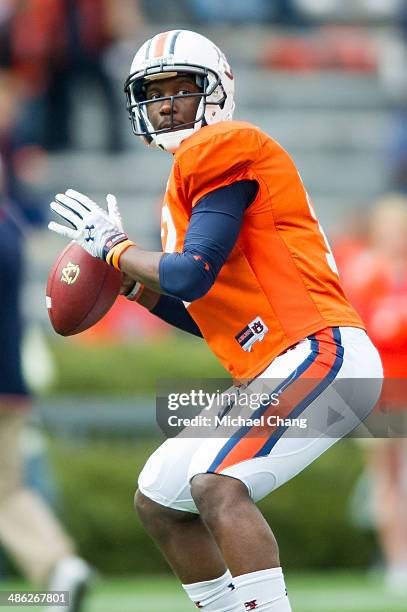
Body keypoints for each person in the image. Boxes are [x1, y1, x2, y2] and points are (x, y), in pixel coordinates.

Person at [48, 30, 383, 612]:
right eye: (154, 94)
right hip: (281, 360)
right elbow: (211, 310)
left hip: (320, 351)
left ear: (217, 92)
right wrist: (137, 289)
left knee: (218, 486)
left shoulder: (224, 146)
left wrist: (117, 250)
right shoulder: (190, 182)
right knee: (160, 496)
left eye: (182, 88)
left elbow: (190, 271)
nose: (168, 103)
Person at [0, 70, 90, 612]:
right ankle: (57, 573)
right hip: (11, 375)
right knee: (8, 491)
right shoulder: (10, 222)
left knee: (7, 493)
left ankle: (55, 571)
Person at [337, 195, 407, 593]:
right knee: (387, 477)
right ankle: (397, 561)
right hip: (380, 389)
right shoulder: (365, 272)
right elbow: (359, 327)